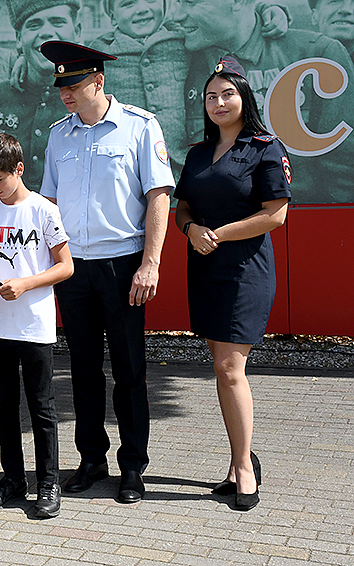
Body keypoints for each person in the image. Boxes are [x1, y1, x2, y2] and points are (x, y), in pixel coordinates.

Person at [39, 41, 175, 503]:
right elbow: (50, 204)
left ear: (98, 81)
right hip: (74, 267)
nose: (66, 95)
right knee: (82, 368)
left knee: (129, 368)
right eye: (61, 87)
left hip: (122, 265)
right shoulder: (60, 135)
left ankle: (133, 465)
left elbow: (159, 196)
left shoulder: (139, 126)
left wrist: (151, 263)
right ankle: (92, 457)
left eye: (73, 85)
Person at [174, 56, 291, 511]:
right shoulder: (199, 154)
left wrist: (217, 233)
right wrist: (190, 229)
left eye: (227, 94)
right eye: (211, 96)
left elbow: (275, 215)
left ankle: (244, 469)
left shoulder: (264, 147)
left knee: (229, 369)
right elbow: (182, 206)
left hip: (245, 269)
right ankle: (236, 459)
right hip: (204, 268)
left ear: (244, 98)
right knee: (221, 369)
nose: (219, 102)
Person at [0, 133, 73, 518]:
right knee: (4, 407)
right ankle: (12, 479)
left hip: (34, 325)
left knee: (41, 407)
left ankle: (49, 482)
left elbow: (65, 266)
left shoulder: (44, 210)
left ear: (19, 170)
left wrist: (25, 283)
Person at [173, 0, 354, 203]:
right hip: (214, 224)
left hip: (297, 219)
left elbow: (344, 169)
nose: (177, 15)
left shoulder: (315, 54)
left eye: (191, 2)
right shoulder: (175, 59)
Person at [90, 0, 289, 174]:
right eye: (127, 3)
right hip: (125, 163)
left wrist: (269, 9)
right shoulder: (100, 52)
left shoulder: (178, 34)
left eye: (150, 0)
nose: (142, 9)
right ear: (111, 15)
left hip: (177, 162)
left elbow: (229, 16)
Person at [0, 0, 82, 191]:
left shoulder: (91, 100)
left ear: (77, 32)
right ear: (18, 38)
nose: (46, 32)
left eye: (58, 22)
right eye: (34, 24)